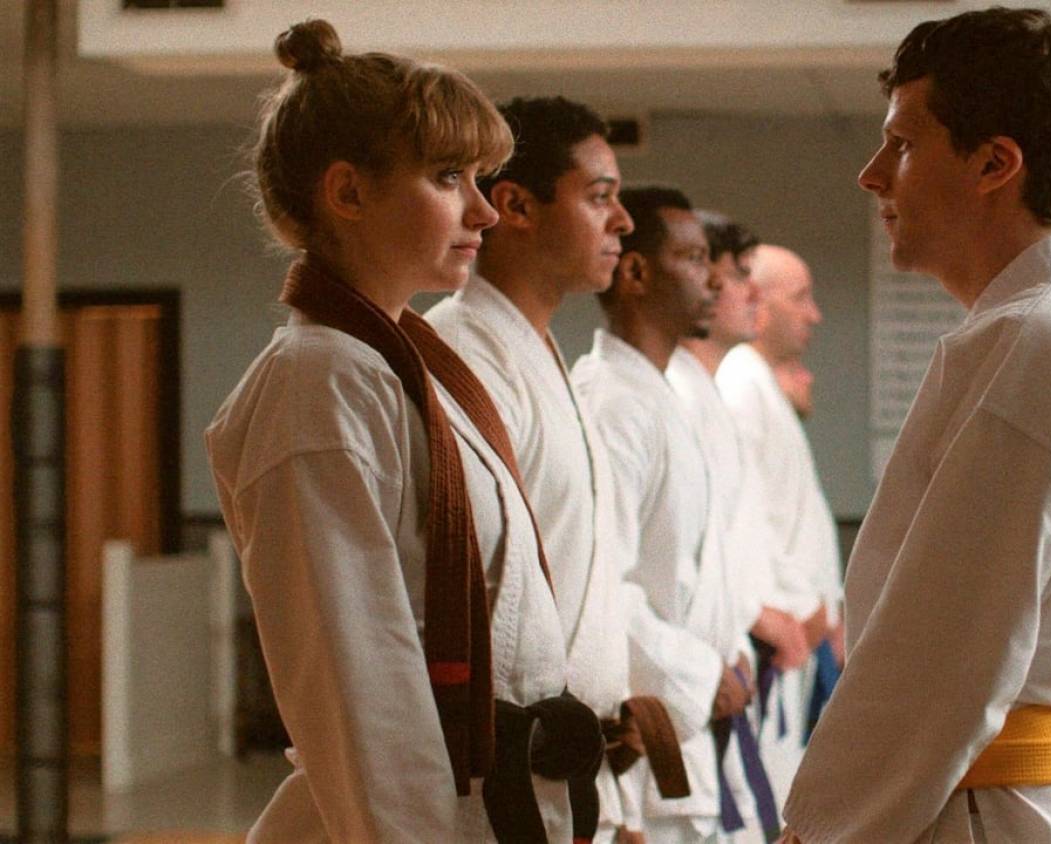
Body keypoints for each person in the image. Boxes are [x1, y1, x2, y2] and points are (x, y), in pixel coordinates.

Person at [780, 7, 1051, 842]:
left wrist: (823, 827)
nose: (871, 175)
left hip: (974, 808)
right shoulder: (1043, 327)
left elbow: (946, 650)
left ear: (994, 164)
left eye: (902, 145)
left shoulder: (1045, 337)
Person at [206, 21, 594, 842]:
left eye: (478, 179)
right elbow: (358, 684)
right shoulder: (318, 381)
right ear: (348, 193)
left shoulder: (406, 367)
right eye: (449, 177)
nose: (482, 210)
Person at [427, 96, 681, 843]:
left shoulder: (540, 356)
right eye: (600, 197)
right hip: (509, 770)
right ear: (516, 206)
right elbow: (475, 588)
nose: (622, 221)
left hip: (572, 768)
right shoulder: (464, 355)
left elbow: (579, 583)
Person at [573, 187, 750, 843]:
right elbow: (597, 586)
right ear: (636, 272)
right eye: (695, 259)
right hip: (641, 735)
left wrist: (729, 652)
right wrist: (701, 675)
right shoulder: (611, 403)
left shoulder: (658, 394)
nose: (715, 280)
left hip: (685, 727)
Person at [667, 212, 794, 840]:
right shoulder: (672, 394)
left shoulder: (708, 393)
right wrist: (752, 623)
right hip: (695, 674)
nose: (750, 292)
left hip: (731, 661)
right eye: (737, 275)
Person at [716, 244, 845, 806]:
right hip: (779, 637)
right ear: (759, 304)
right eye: (801, 298)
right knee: (766, 805)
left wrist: (828, 607)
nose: (814, 315)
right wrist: (784, 612)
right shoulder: (741, 385)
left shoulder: (761, 383)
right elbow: (741, 523)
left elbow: (792, 518)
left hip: (800, 632)